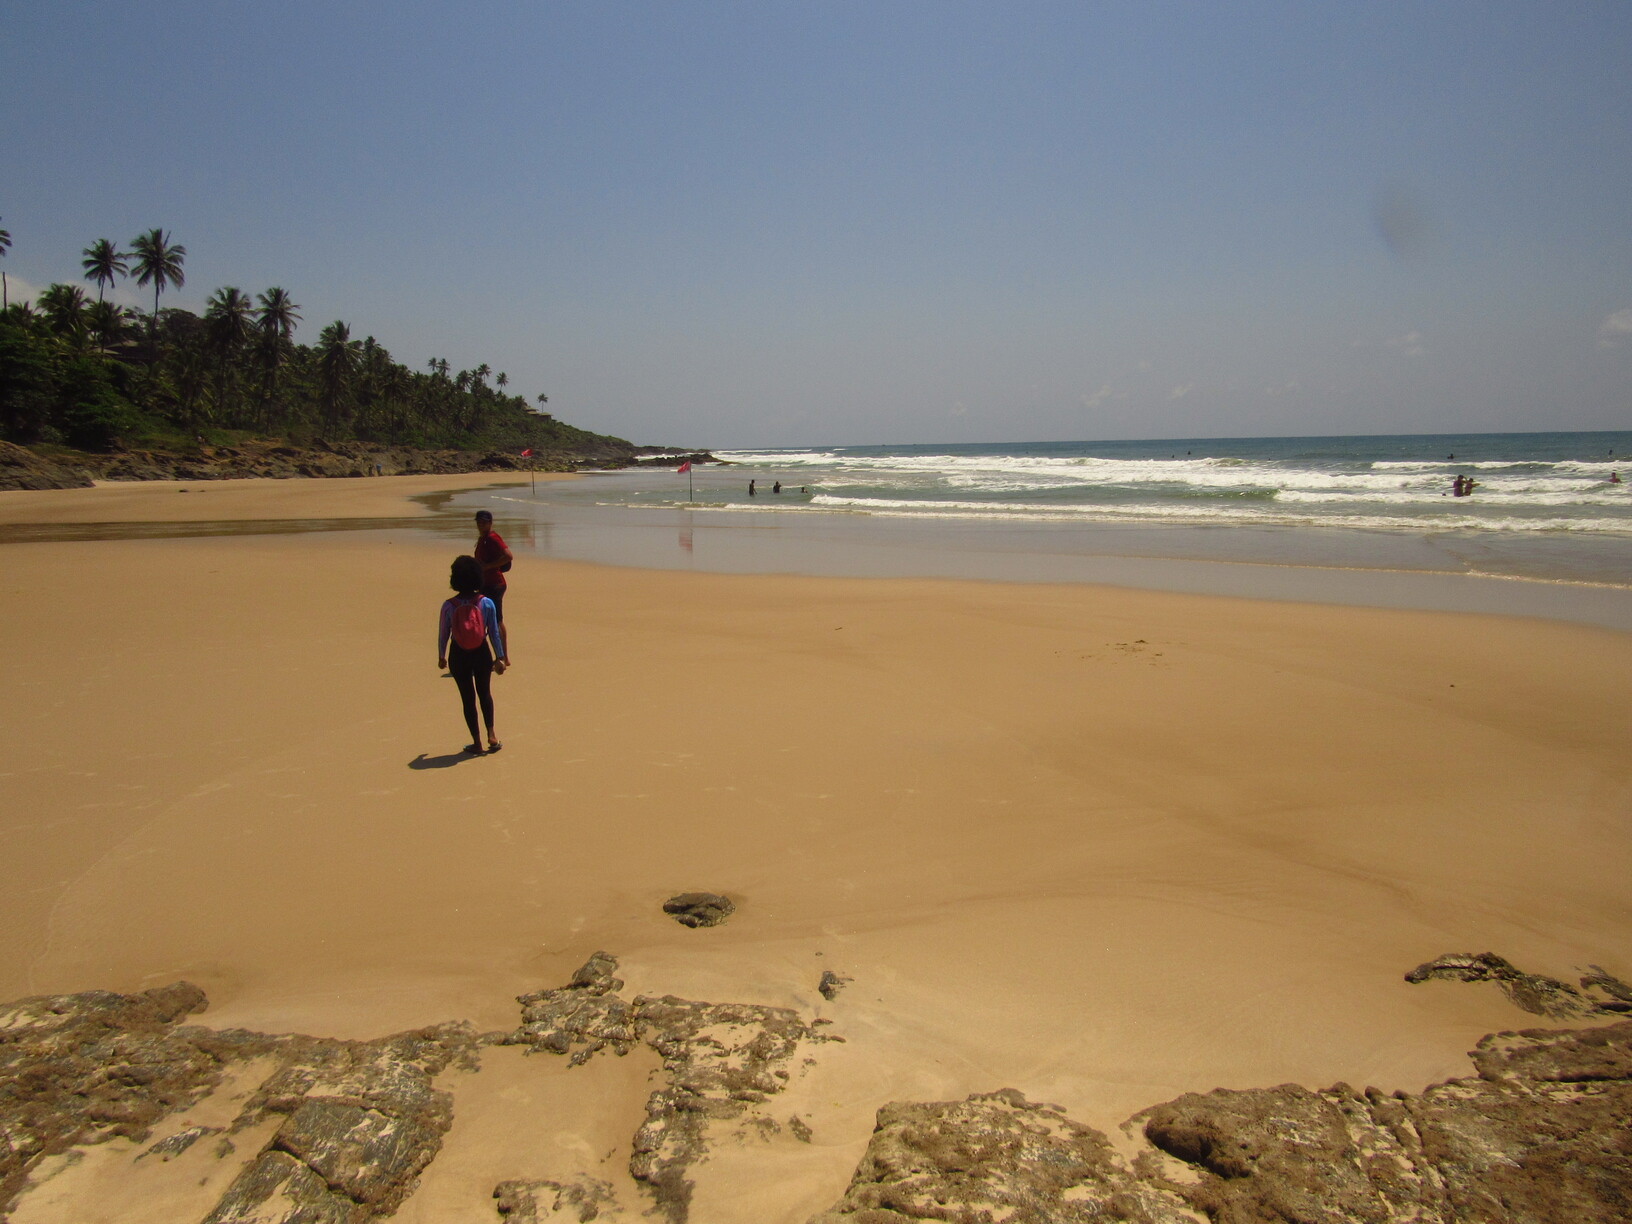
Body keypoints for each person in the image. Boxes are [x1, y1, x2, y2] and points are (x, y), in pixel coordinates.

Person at [438, 555, 507, 754]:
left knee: (468, 698)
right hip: (481, 653)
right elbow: (493, 632)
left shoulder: (449, 605)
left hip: (458, 655)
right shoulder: (486, 603)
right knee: (484, 693)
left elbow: (444, 633)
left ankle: (476, 743)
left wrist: (442, 656)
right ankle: (492, 735)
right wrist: (500, 657)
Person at [473, 510, 513, 651]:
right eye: (478, 522)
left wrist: (487, 566)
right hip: (486, 584)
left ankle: (503, 656)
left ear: (490, 523)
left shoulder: (492, 538)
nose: (480, 525)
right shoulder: (483, 538)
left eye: (484, 522)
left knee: (496, 620)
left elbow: (508, 556)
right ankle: (498, 654)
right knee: (487, 620)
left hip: (495, 584)